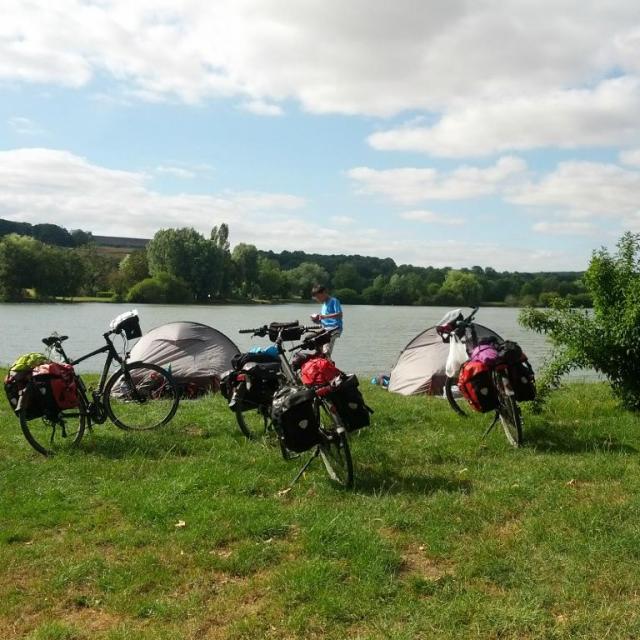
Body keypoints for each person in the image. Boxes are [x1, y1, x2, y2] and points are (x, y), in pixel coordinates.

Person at [310, 285, 343, 358]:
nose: (318, 299)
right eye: (316, 298)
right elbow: (324, 320)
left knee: (326, 350)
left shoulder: (334, 301)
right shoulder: (324, 305)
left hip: (334, 328)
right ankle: (322, 364)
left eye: (318, 297)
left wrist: (324, 316)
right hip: (325, 329)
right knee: (316, 345)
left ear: (324, 293)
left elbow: (340, 315)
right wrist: (317, 320)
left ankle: (328, 366)